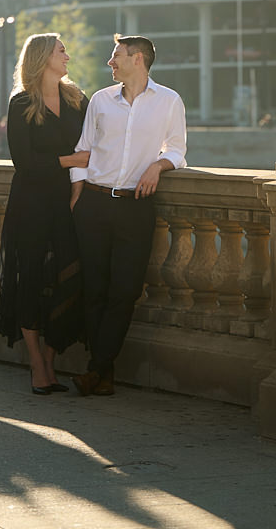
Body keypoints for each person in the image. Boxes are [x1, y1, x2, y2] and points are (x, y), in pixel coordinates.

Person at [69, 34, 186, 396]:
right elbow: (83, 150)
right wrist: (77, 196)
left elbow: (179, 149)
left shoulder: (169, 101)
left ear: (138, 59)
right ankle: (101, 373)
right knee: (94, 290)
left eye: (116, 55)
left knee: (126, 290)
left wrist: (159, 165)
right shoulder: (101, 101)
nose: (110, 62)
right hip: (94, 203)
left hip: (135, 207)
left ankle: (98, 369)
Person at [0, 34, 91, 395]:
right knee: (31, 279)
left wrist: (78, 184)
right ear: (42, 58)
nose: (68, 55)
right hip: (31, 203)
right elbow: (24, 163)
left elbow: (93, 144)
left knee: (72, 275)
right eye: (61, 50)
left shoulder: (76, 99)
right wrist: (69, 161)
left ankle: (52, 356)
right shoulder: (21, 104)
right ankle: (38, 364)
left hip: (68, 201)